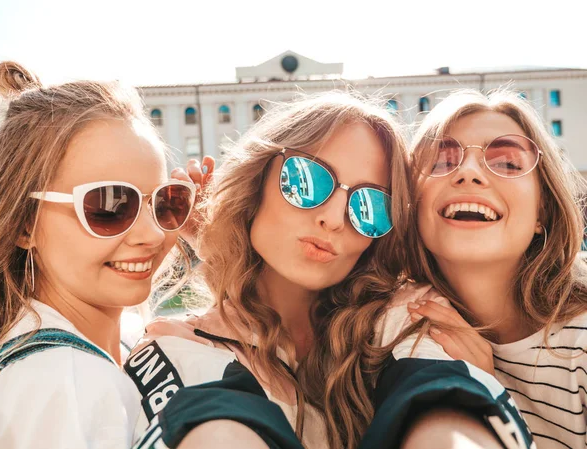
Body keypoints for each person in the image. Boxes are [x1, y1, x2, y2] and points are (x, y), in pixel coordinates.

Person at [127, 92, 533, 449]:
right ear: (258, 180)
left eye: (371, 206)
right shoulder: (180, 346)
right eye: (307, 181)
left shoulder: (409, 316)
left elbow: (443, 406)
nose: (335, 219)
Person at [0, 61, 196, 449]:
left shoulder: (125, 340)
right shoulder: (65, 382)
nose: (152, 234)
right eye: (110, 205)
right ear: (24, 225)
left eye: (165, 203)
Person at [405, 88, 587, 449]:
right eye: (442, 161)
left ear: (543, 211)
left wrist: (489, 394)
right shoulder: (401, 323)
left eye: (506, 163)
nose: (469, 173)